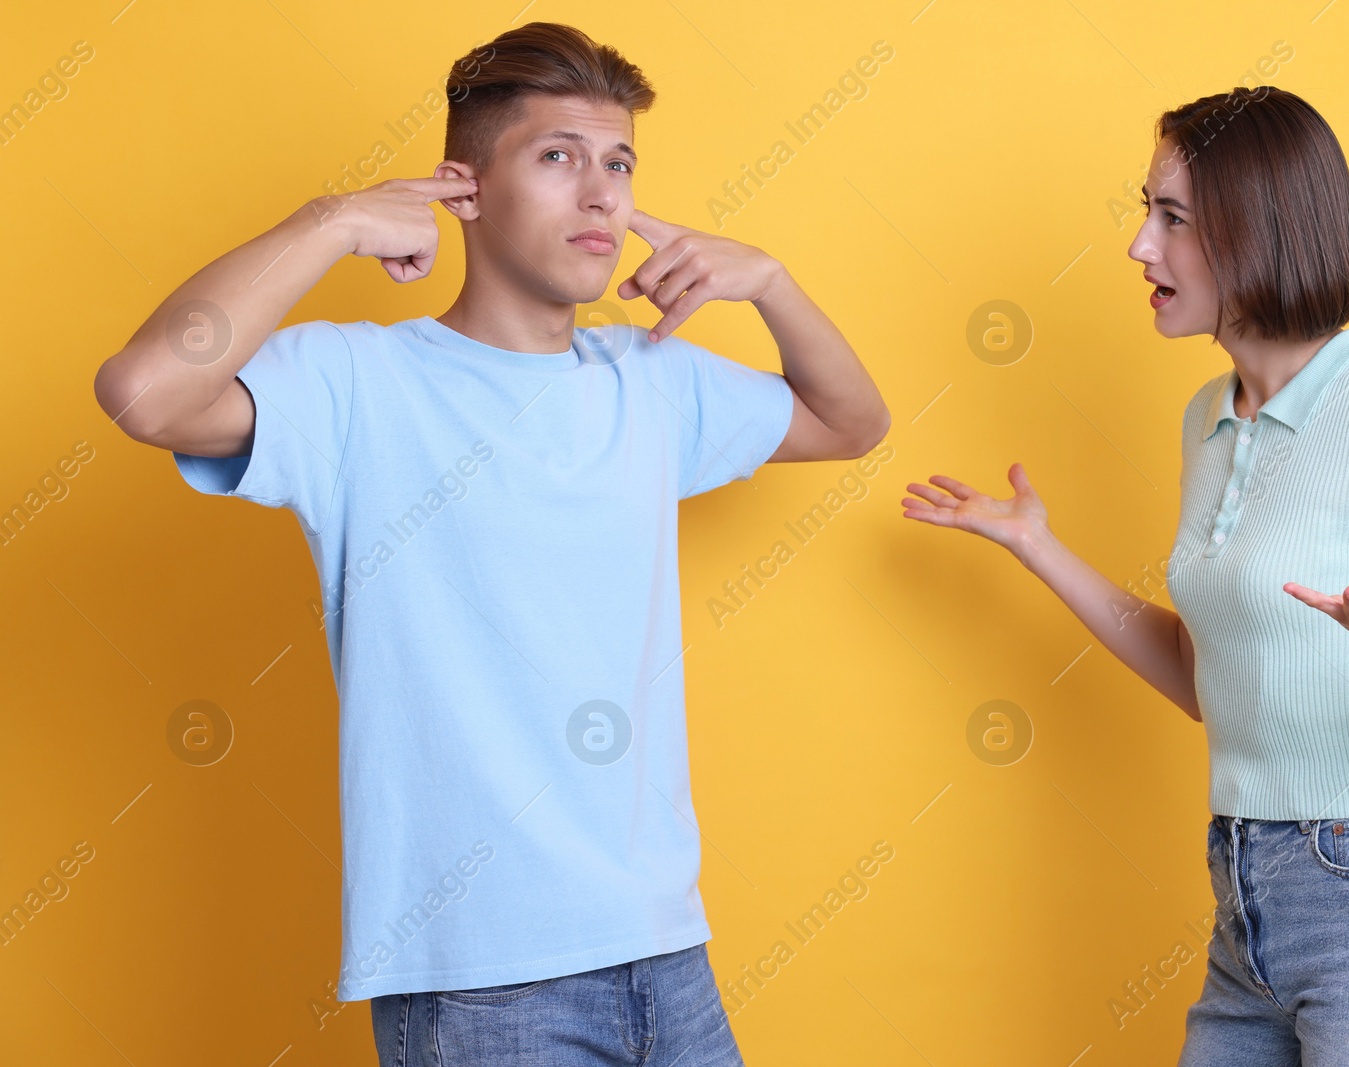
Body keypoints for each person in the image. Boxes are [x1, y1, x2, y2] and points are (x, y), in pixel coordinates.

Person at [93, 22, 889, 1067]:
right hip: (480, 982)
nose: (602, 194)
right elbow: (145, 391)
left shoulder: (649, 379)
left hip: (666, 950)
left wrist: (771, 281)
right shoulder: (358, 384)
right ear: (462, 186)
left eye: (619, 162)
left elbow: (851, 422)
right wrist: (330, 222)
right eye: (558, 156)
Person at [902, 86, 1349, 1065]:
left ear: (1260, 227)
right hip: (1247, 892)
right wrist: (1036, 544)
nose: (1139, 246)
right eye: (1147, 211)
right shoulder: (1206, 419)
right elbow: (1203, 675)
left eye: (1170, 217)